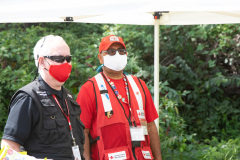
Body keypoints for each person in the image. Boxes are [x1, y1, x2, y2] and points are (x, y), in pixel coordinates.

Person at [76, 35, 162, 160]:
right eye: (111, 52)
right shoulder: (90, 88)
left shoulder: (139, 85)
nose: (117, 55)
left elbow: (151, 125)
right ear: (100, 58)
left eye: (121, 51)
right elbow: (82, 132)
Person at [1, 35, 85, 160]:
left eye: (68, 58)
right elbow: (8, 149)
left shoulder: (68, 97)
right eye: (59, 59)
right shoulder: (28, 98)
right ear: (41, 61)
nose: (65, 63)